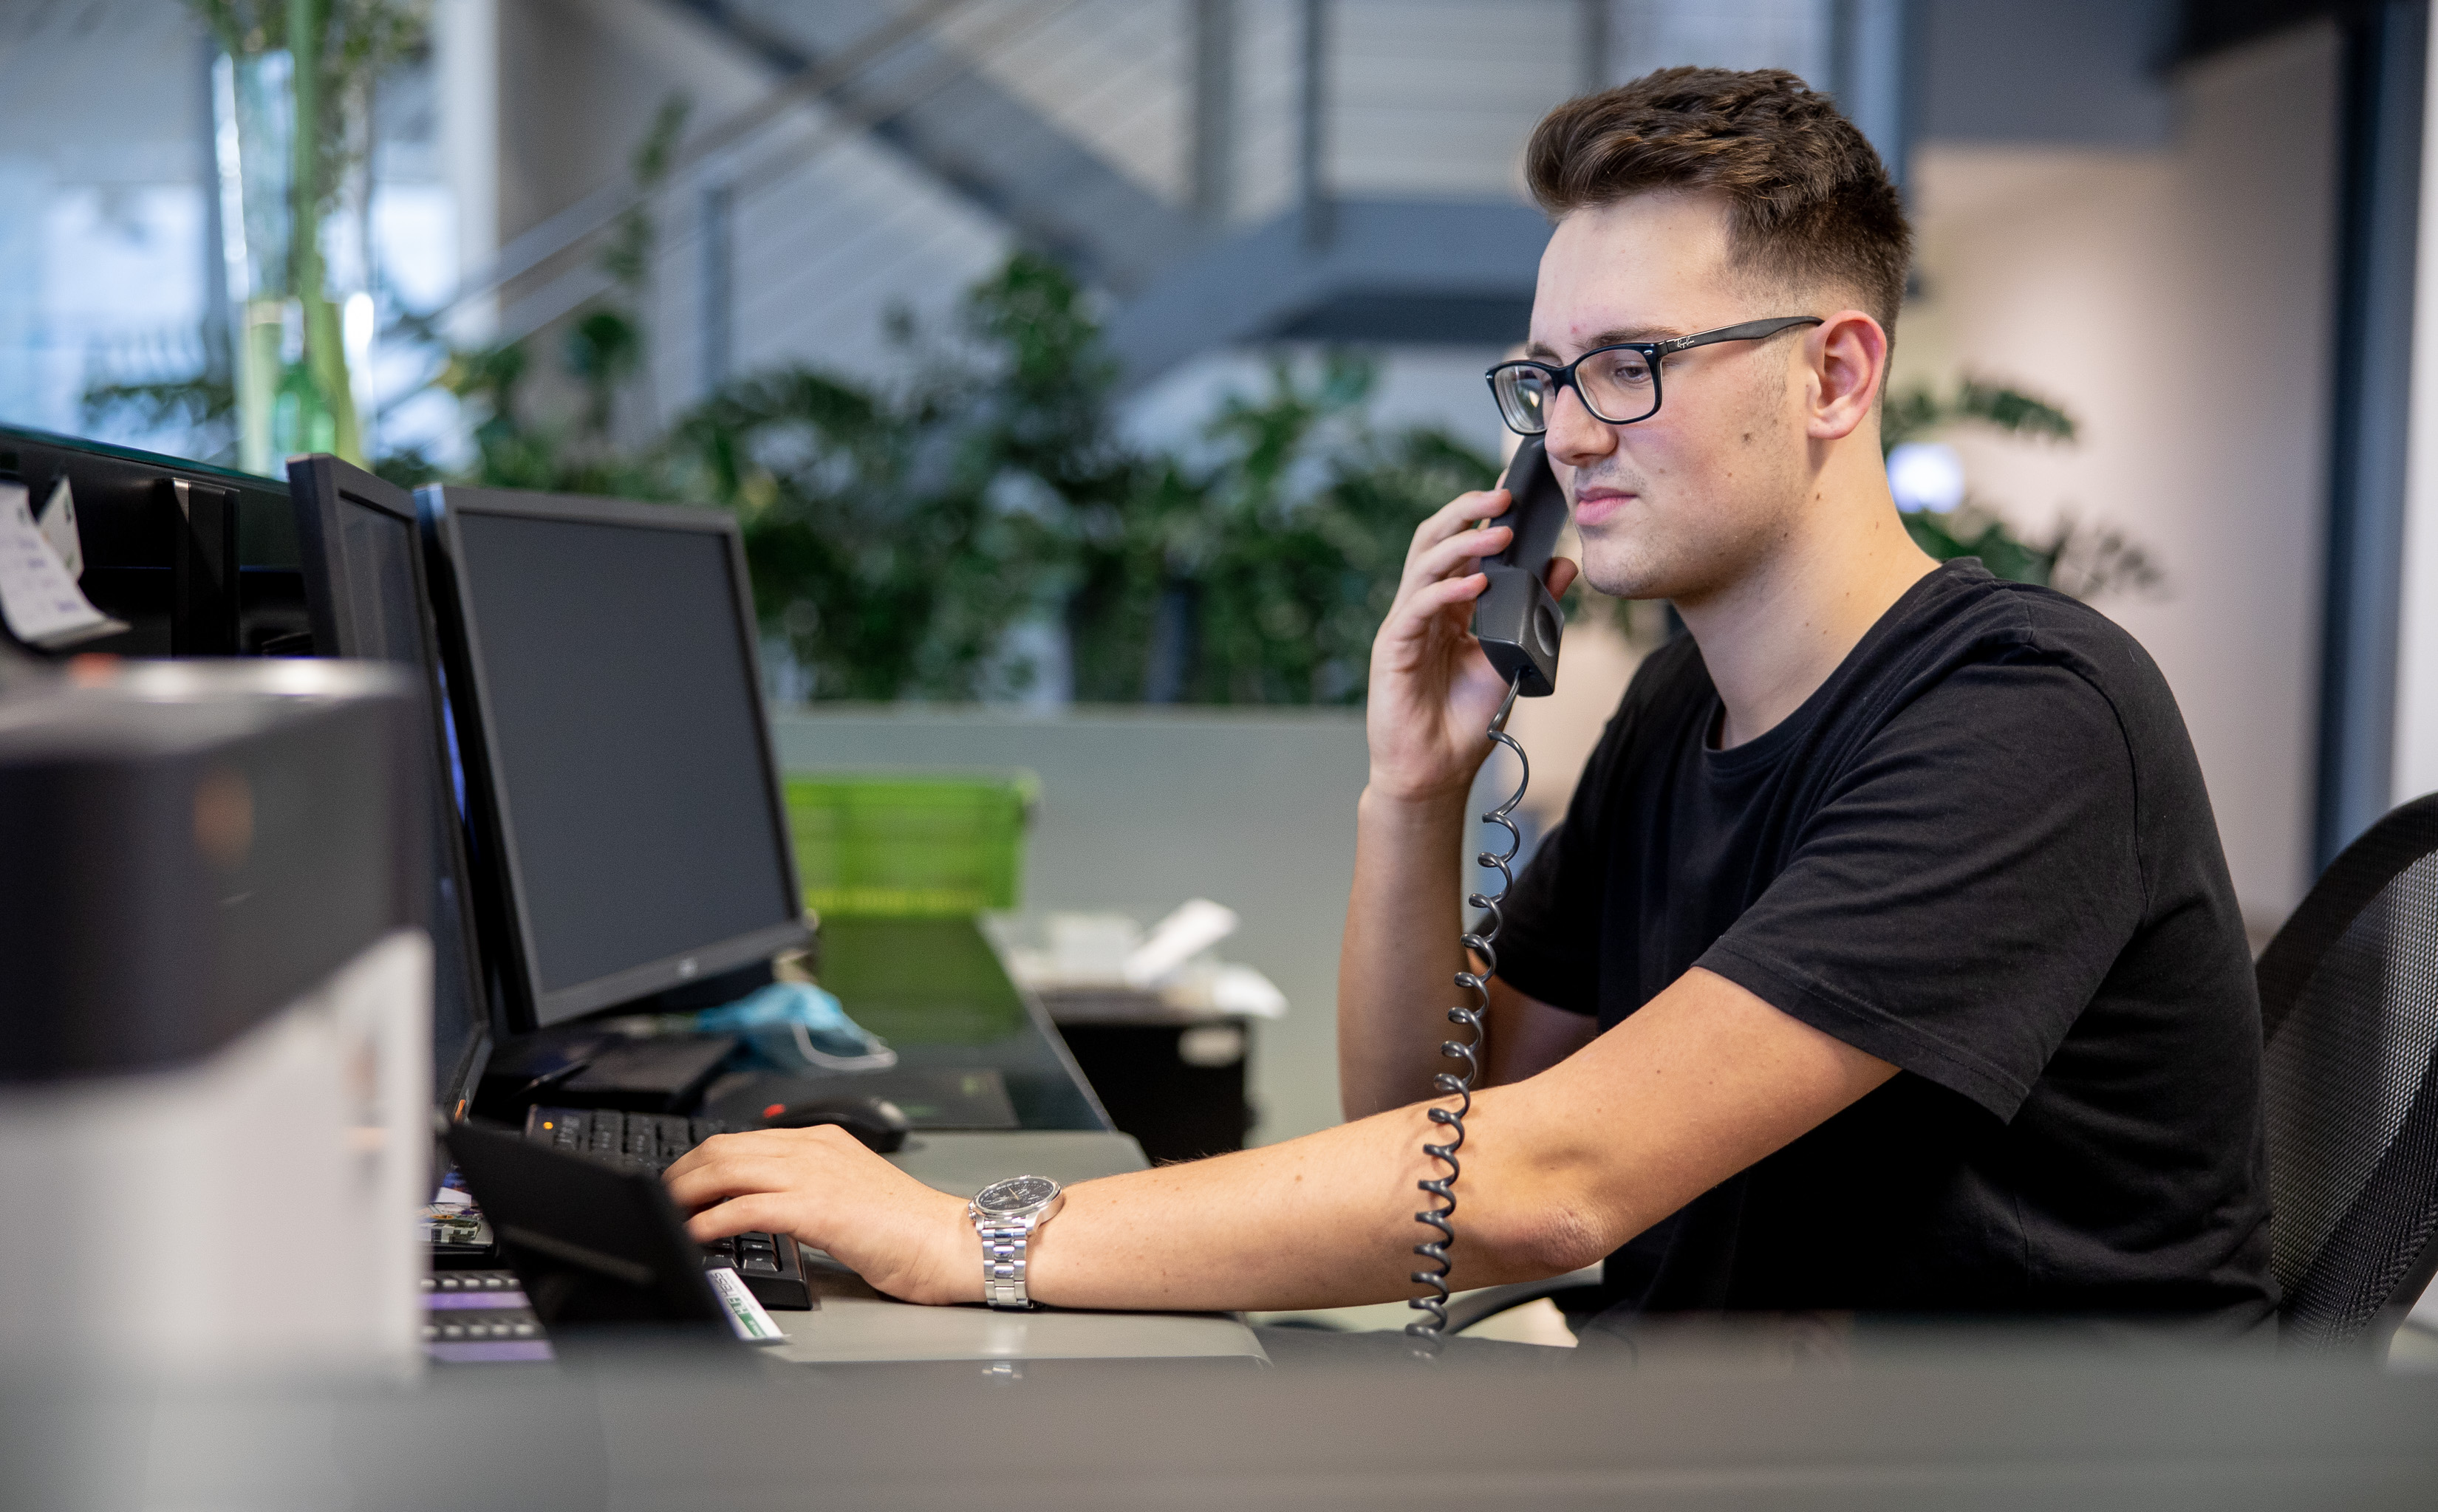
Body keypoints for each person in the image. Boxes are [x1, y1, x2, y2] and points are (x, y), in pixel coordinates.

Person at [664, 67, 2278, 1335]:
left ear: (1835, 377)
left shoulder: (2025, 721)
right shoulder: (1676, 716)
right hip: (1754, 1475)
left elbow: (1549, 1184)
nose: (1569, 435)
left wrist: (972, 1234)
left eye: (1632, 362)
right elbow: (1441, 1119)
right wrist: (1413, 793)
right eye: (1546, 377)